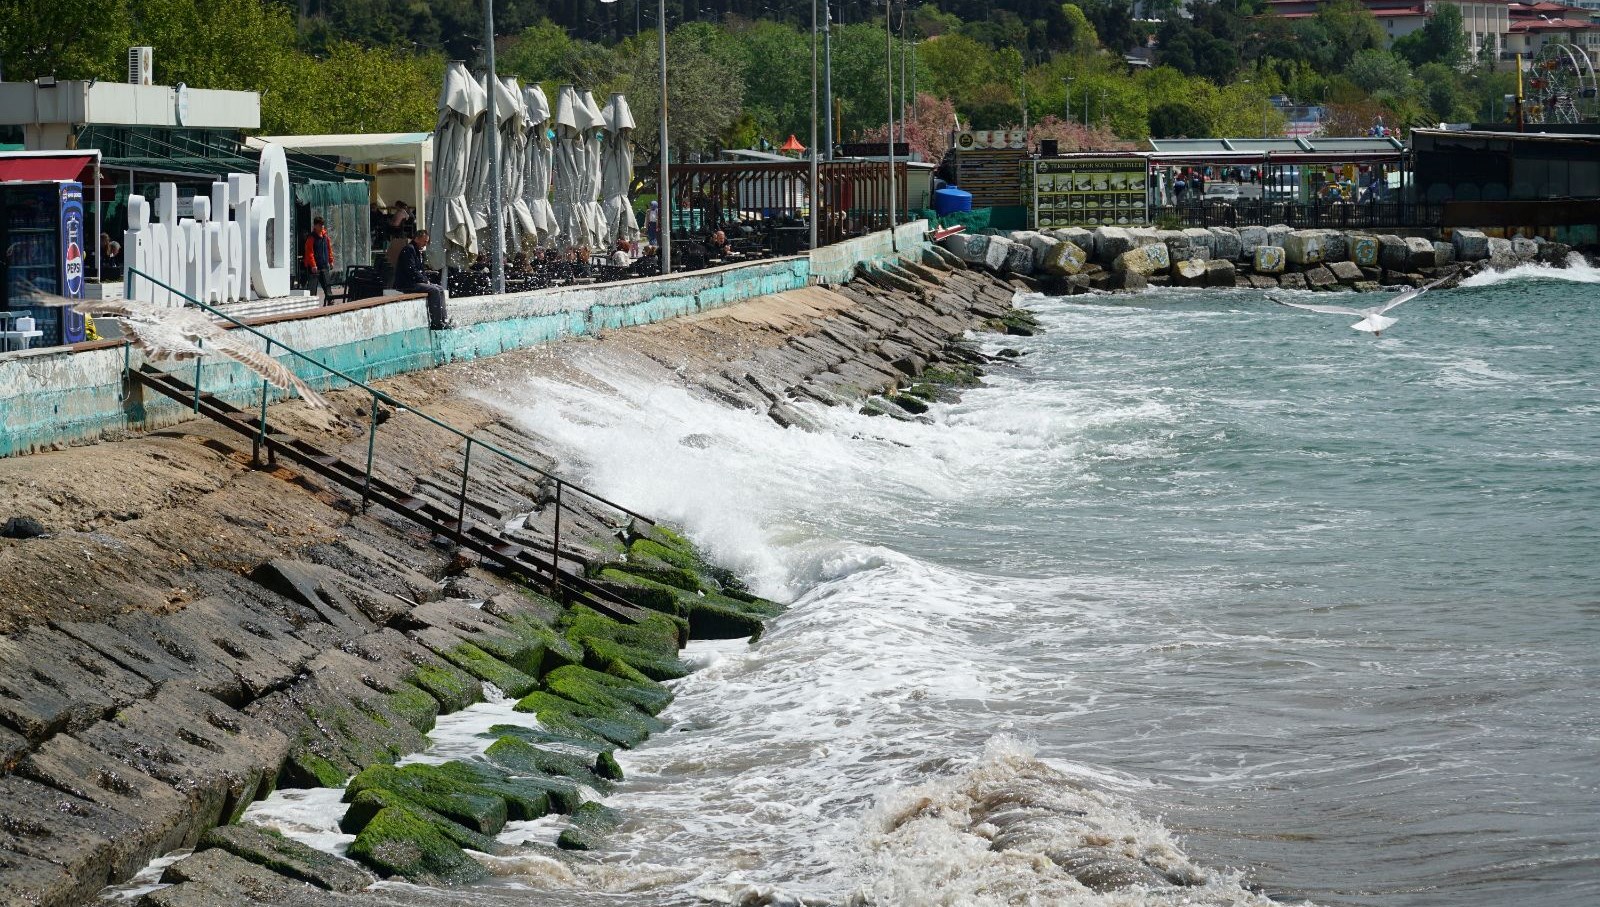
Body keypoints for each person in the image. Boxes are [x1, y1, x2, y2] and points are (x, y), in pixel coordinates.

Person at [397, 231, 448, 329]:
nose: (426, 244)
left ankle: (443, 319)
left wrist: (425, 279)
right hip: (408, 284)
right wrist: (424, 281)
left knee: (440, 289)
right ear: (416, 239)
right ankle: (436, 323)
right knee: (435, 290)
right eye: (424, 241)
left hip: (416, 282)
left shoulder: (417, 251)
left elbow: (420, 271)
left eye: (427, 242)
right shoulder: (409, 250)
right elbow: (411, 270)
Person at [301, 216, 335, 303]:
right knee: (313, 287)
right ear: (315, 226)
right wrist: (313, 265)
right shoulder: (311, 238)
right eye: (320, 225)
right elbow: (309, 253)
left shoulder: (325, 237)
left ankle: (330, 300)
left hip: (324, 265)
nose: (322, 227)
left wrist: (331, 261)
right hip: (315, 267)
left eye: (323, 225)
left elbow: (329, 249)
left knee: (327, 285)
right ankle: (311, 303)